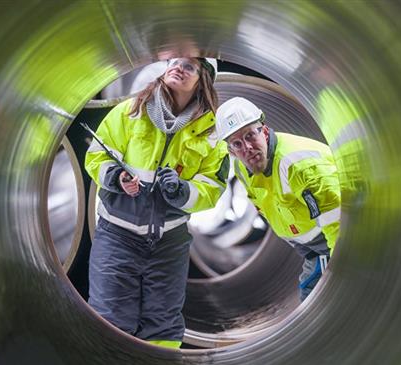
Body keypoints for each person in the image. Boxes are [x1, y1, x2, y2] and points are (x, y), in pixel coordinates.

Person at [84, 57, 229, 349]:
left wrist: (182, 191)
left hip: (168, 242)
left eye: (189, 67)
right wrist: (116, 177)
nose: (178, 68)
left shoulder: (212, 132)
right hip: (117, 235)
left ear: (203, 80)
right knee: (110, 319)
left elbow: (214, 186)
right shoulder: (131, 111)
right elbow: (96, 157)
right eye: (174, 63)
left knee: (162, 325)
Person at [215, 97, 341, 301]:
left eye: (250, 136)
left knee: (319, 303)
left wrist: (338, 273)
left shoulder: (299, 165)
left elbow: (339, 224)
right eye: (237, 143)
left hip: (330, 244)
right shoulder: (241, 167)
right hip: (309, 248)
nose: (247, 147)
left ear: (264, 132)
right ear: (231, 151)